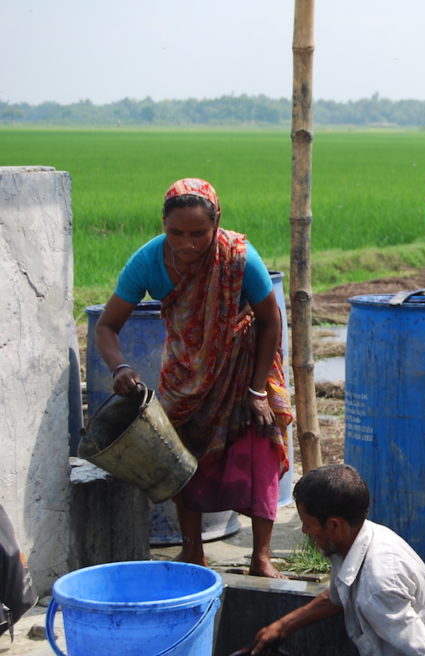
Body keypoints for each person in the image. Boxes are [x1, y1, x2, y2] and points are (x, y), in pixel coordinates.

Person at [95, 178, 292, 578]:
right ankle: (192, 551)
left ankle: (262, 557)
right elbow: (106, 327)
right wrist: (120, 367)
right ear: (163, 225)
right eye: (177, 233)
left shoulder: (239, 257)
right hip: (186, 371)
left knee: (258, 452)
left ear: (217, 222)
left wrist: (257, 390)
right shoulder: (148, 262)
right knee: (182, 458)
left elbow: (271, 322)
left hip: (243, 367)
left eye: (199, 233)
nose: (187, 243)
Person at [252, 464, 425, 656]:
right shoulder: (353, 542)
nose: (305, 532)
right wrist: (283, 626)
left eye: (308, 524)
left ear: (335, 525)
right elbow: (337, 596)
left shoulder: (377, 584)